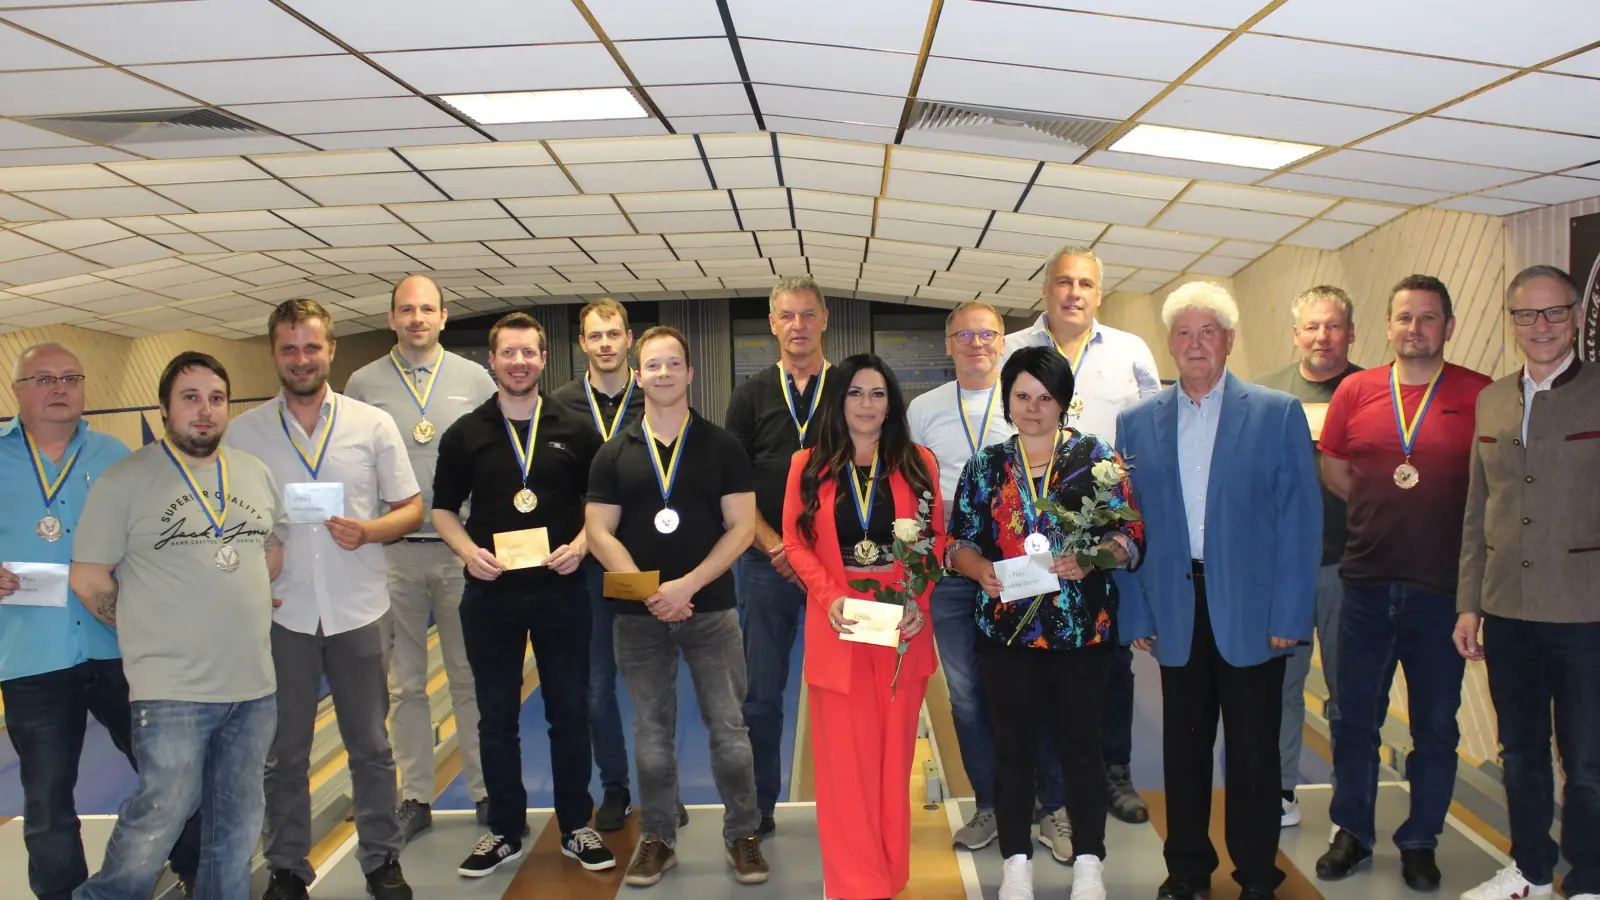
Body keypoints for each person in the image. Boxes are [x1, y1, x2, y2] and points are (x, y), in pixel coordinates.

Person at [1116, 281, 1321, 900]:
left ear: (1229, 340)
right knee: (1184, 750)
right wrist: (1135, 611)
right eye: (1184, 332)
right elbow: (1123, 523)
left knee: (1255, 752)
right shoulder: (1136, 423)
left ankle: (1256, 872)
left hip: (1255, 612)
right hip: (1175, 607)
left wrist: (1290, 613)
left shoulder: (1277, 413)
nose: (1196, 343)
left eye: (1208, 331)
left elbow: (1300, 521)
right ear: (1169, 344)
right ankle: (1187, 869)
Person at [226, 299, 423, 900]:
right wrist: (256, 560)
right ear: (274, 354)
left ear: (331, 350)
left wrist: (369, 530)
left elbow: (411, 509)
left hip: (358, 608)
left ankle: (381, 860)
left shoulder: (372, 424)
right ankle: (287, 868)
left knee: (371, 746)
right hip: (282, 612)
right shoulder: (244, 433)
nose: (301, 358)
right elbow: (227, 521)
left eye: (312, 346)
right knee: (285, 752)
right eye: (289, 348)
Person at [70, 352, 284, 900]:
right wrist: (141, 624)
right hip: (171, 688)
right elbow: (88, 578)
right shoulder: (126, 480)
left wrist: (241, 596)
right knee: (161, 814)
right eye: (190, 398)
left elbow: (271, 545)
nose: (205, 410)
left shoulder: (253, 472)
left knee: (238, 824)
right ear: (164, 408)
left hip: (253, 685)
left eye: (216, 398)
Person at [0, 344, 199, 900]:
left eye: (70, 377)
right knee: (46, 800)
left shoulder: (117, 456)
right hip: (33, 655)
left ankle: (198, 872)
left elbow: (159, 540)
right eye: (44, 379)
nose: (59, 388)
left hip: (121, 647)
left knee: (169, 774)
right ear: (17, 391)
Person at [947, 345, 1145, 900]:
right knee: (1013, 749)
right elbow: (958, 542)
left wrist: (1092, 558)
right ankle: (1016, 863)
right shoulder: (986, 466)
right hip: (1006, 633)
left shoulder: (1096, 458)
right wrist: (979, 569)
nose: (1033, 408)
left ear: (1064, 402)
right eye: (1022, 396)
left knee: (1082, 747)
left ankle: (1089, 863)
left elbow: (1130, 536)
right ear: (1007, 400)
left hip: (1082, 631)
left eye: (1045, 397)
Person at [1315, 275, 1492, 891]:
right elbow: (1336, 469)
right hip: (1364, 583)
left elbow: (1491, 488)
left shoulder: (1480, 394)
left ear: (1449, 326)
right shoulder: (1356, 390)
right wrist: (1382, 511)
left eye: (1428, 317)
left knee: (1435, 727)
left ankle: (1420, 839)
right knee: (1352, 719)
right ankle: (1352, 831)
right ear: (1388, 326)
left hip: (1441, 591)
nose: (1415, 328)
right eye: (1404, 317)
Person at [430, 311, 614, 877]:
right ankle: (505, 830)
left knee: (569, 712)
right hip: (492, 595)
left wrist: (581, 546)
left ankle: (576, 825)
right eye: (508, 353)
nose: (518, 362)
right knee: (496, 718)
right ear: (492, 361)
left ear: (543, 359)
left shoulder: (575, 430)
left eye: (528, 352)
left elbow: (600, 508)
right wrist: (469, 553)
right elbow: (442, 510)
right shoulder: (466, 433)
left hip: (562, 591)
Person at [585, 326, 770, 887]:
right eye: (652, 365)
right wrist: (650, 591)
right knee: (650, 732)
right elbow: (598, 531)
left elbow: (741, 528)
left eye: (672, 364)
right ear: (638, 377)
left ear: (690, 373)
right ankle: (658, 838)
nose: (662, 373)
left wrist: (686, 586)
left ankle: (743, 834)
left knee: (729, 728)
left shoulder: (722, 446)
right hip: (637, 615)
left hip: (710, 610)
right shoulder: (614, 452)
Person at [1002, 245, 1160, 826]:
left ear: (1100, 293)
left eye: (1086, 284)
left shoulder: (1131, 351)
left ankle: (1114, 770)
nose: (1074, 293)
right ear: (1045, 290)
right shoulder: (1011, 349)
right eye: (1064, 282)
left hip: (1102, 531)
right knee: (1034, 661)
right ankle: (1047, 787)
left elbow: (1152, 432)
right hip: (1027, 533)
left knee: (1110, 660)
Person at [1455, 265, 1600, 900]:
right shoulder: (1491, 400)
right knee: (1520, 750)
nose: (1540, 326)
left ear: (1576, 316)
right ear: (1511, 321)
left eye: (1553, 312)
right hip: (1507, 611)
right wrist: (1469, 604)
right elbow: (1477, 510)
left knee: (1587, 761)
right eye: (1526, 314)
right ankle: (1532, 871)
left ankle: (1590, 878)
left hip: (1586, 612)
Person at [781, 353, 943, 899]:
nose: (866, 404)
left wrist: (918, 598)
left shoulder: (918, 462)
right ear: (839, 400)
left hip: (900, 624)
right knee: (844, 767)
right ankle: (854, 883)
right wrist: (830, 598)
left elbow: (933, 540)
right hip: (841, 622)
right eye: (855, 393)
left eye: (877, 393)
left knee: (894, 763)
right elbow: (795, 542)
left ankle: (889, 875)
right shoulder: (807, 465)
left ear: (891, 403)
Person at [344, 274, 497, 839]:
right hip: (394, 554)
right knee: (405, 684)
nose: (417, 319)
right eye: (406, 310)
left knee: (469, 676)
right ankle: (415, 795)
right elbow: (351, 465)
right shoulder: (362, 383)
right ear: (391, 318)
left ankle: (486, 790)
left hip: (462, 552)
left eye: (427, 309)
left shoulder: (475, 380)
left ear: (443, 316)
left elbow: (496, 458)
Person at [908, 302, 1025, 852]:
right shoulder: (924, 408)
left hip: (1019, 563)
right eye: (964, 335)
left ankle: (1045, 804)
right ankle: (990, 805)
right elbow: (912, 486)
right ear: (948, 344)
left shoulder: (1024, 399)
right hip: (952, 567)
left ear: (1002, 342)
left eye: (987, 334)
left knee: (1029, 684)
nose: (977, 343)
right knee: (967, 695)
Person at [1253, 285, 1363, 827]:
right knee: (1282, 689)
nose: (1323, 336)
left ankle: (1351, 801)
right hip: (1285, 572)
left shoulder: (1372, 391)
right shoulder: (1266, 395)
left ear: (1351, 332)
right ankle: (1280, 790)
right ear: (1297, 334)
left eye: (1334, 326)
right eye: (1313, 327)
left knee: (1350, 692)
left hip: (1353, 567)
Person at [726, 273, 831, 836]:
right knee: (761, 695)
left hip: (839, 567)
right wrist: (778, 546)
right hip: (769, 566)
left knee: (843, 692)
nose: (798, 325)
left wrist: (817, 555)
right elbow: (734, 488)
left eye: (808, 314)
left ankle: (847, 802)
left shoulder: (850, 388)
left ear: (824, 321)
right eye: (787, 316)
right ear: (772, 324)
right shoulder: (750, 396)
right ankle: (757, 809)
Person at [551, 297, 648, 832]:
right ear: (582, 343)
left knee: (652, 682)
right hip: (587, 569)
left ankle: (661, 786)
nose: (606, 344)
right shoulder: (561, 405)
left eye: (614, 334)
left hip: (645, 562)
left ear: (628, 338)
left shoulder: (655, 392)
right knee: (595, 686)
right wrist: (582, 541)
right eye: (596, 336)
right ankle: (616, 784)